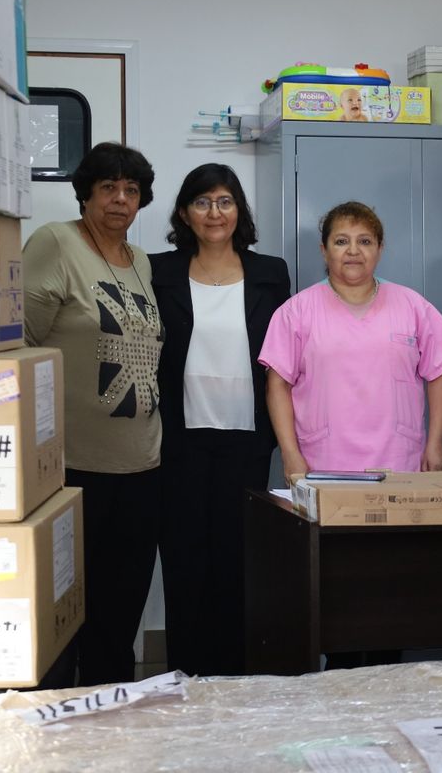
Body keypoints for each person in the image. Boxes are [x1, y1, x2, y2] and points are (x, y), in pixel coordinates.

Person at [22, 142, 164, 687]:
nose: (120, 199)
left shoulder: (141, 262)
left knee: (119, 616)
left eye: (131, 190)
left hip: (142, 468)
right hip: (72, 469)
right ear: (85, 193)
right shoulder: (55, 243)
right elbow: (17, 345)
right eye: (108, 187)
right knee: (63, 617)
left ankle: (113, 715)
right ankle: (58, 720)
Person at [150, 164, 290, 677]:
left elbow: (282, 356)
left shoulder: (270, 272)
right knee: (184, 559)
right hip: (179, 438)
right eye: (203, 201)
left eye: (225, 201)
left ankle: (233, 675)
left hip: (247, 439)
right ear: (184, 212)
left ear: (239, 211)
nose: (215, 212)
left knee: (238, 560)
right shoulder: (158, 271)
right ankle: (185, 674)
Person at [260, 201, 442, 483]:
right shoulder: (295, 312)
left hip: (399, 459)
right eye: (341, 241)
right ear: (323, 250)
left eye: (365, 241)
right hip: (323, 460)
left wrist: (436, 442)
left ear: (380, 249)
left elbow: (440, 372)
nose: (353, 251)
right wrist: (289, 452)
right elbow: (277, 385)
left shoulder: (412, 305)